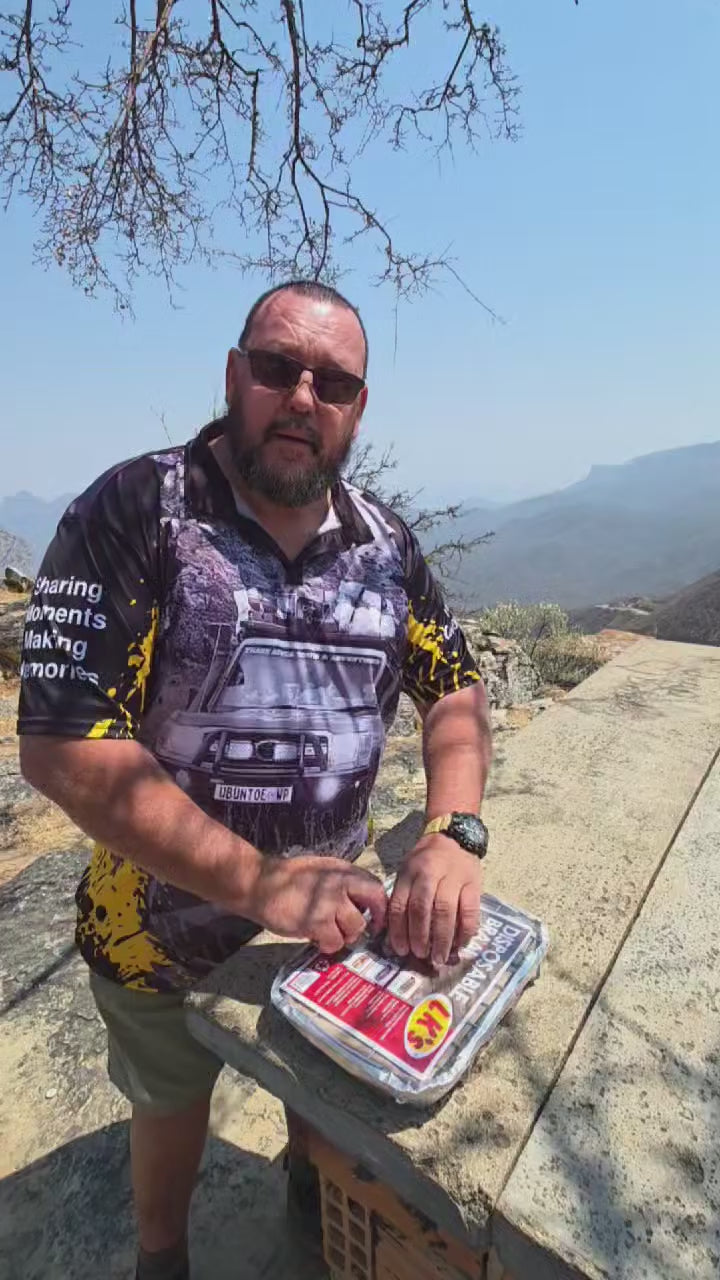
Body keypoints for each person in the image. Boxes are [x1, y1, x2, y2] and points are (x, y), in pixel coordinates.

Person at [17, 280, 492, 1280]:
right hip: (155, 935)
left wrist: (453, 829)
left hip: (331, 934)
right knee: (170, 1102)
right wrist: (262, 882)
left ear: (359, 408)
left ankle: (311, 1214)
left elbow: (453, 689)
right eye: (279, 368)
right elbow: (66, 745)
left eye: (334, 382)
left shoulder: (387, 547)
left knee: (323, 1100)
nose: (303, 396)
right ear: (235, 376)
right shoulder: (136, 510)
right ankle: (164, 1255)